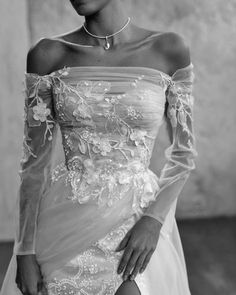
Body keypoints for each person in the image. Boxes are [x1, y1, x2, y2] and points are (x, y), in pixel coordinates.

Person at [1, 0, 197, 294]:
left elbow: (184, 153)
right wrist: (24, 251)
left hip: (135, 218)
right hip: (64, 221)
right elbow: (34, 164)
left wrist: (154, 221)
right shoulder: (47, 55)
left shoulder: (168, 49)